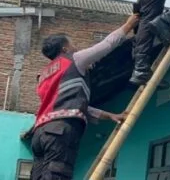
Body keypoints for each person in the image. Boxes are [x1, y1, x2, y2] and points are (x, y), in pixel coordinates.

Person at [26, 13, 139, 180]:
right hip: (60, 131)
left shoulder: (43, 75)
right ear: (64, 48)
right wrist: (128, 26)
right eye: (72, 44)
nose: (76, 47)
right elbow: (107, 45)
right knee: (57, 175)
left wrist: (110, 115)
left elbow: (77, 105)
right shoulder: (74, 60)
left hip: (40, 134)